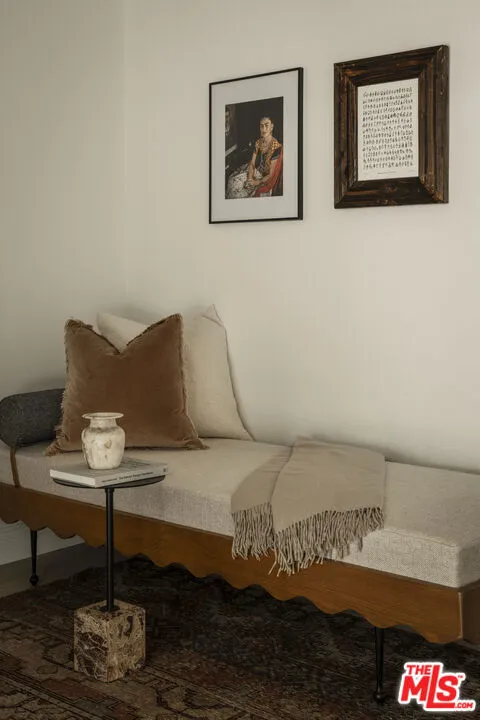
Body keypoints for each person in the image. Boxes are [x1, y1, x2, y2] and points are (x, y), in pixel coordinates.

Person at [226, 116, 283, 199]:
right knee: (232, 182)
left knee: (238, 194)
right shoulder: (258, 142)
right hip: (255, 171)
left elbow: (270, 175)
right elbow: (252, 162)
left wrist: (255, 182)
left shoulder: (276, 147)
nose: (263, 128)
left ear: (271, 127)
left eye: (266, 125)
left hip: (263, 178)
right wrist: (250, 177)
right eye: (261, 126)